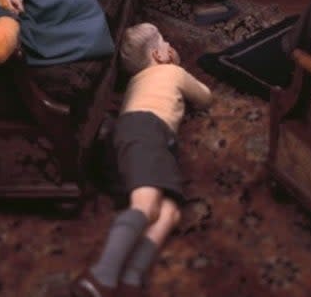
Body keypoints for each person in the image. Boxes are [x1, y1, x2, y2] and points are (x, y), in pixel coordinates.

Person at [71, 22, 212, 297]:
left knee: (169, 212)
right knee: (146, 205)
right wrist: (178, 68)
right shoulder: (172, 71)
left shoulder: (136, 83)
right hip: (145, 129)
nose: (172, 47)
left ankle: (130, 280)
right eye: (167, 43)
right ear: (161, 55)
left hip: (130, 138)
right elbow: (205, 97)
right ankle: (100, 277)